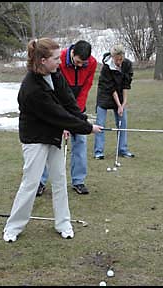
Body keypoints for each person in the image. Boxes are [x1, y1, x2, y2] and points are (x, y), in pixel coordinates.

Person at [3, 38, 102, 243]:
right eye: (56, 58)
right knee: (30, 183)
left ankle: (63, 223)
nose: (60, 61)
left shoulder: (55, 74)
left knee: (59, 180)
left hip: (54, 133)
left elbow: (68, 102)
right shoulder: (31, 88)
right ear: (42, 60)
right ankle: (13, 227)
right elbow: (57, 114)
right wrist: (86, 128)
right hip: (35, 138)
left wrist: (82, 119)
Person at [37, 40, 97, 196]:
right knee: (48, 142)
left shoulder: (91, 63)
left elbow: (86, 88)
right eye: (77, 62)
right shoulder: (60, 59)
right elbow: (57, 90)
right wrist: (63, 120)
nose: (79, 65)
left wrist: (77, 114)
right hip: (57, 104)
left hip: (76, 106)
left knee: (80, 142)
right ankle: (40, 181)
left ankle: (78, 181)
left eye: (83, 63)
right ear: (72, 53)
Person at [94, 44, 134, 159]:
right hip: (105, 95)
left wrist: (123, 104)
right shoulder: (106, 67)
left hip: (120, 95)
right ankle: (99, 152)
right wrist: (118, 105)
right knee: (100, 124)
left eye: (121, 59)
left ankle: (123, 149)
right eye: (117, 60)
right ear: (112, 57)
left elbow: (126, 85)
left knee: (123, 123)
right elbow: (111, 88)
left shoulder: (127, 65)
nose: (119, 62)